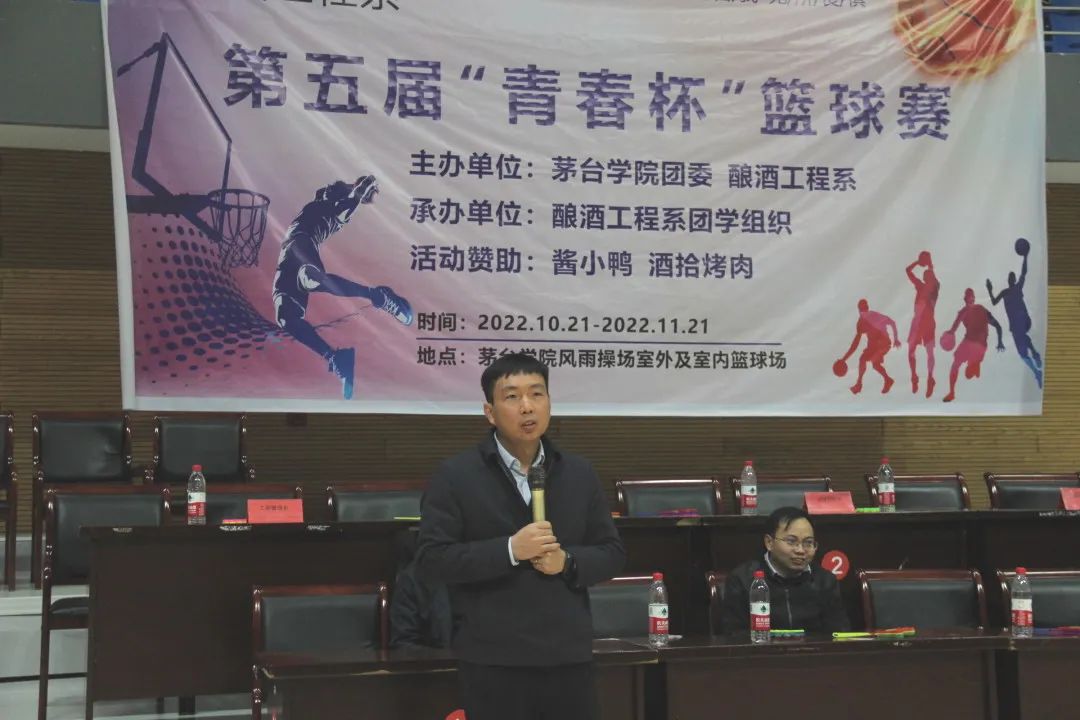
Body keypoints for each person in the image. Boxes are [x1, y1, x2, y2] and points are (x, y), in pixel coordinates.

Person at [416, 353, 625, 720]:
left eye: (536, 394)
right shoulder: (456, 476)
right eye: (512, 396)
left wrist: (567, 561)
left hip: (567, 656)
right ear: (490, 412)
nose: (527, 406)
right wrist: (511, 550)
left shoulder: (578, 473)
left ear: (549, 403)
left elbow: (612, 553)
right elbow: (433, 560)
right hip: (493, 659)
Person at [272, 175, 413, 400]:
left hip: (302, 244)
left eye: (332, 189)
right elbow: (330, 189)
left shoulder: (334, 212)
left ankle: (378, 296)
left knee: (310, 278)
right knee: (286, 318)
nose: (327, 188)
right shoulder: (319, 201)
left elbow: (354, 196)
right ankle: (335, 357)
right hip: (285, 258)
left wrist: (361, 189)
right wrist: (353, 188)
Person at [720, 507, 850, 634]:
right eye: (791, 541)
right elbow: (734, 635)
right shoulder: (743, 580)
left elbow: (839, 633)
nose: (800, 550)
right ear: (769, 542)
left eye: (808, 543)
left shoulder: (825, 581)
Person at [986, 240, 1042, 388]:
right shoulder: (1005, 292)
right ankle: (1035, 357)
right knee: (1023, 346)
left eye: (1012, 277)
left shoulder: (1017, 287)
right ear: (1008, 280)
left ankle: (1036, 367)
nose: (1011, 278)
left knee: (1022, 350)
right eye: (1010, 277)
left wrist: (1025, 257)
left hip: (1022, 320)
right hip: (1018, 324)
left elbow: (1024, 272)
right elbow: (994, 302)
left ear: (1014, 279)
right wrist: (990, 290)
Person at [942, 288, 1005, 403]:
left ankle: (952, 393)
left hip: (970, 343)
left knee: (955, 365)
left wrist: (946, 336)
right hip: (982, 347)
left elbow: (953, 330)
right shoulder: (982, 310)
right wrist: (1000, 342)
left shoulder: (964, 311)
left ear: (965, 299)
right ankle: (975, 363)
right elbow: (998, 326)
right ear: (974, 299)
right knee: (969, 364)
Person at [836, 299, 901, 395]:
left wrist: (896, 339)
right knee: (865, 360)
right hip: (873, 346)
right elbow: (855, 344)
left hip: (883, 343)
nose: (863, 312)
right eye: (862, 310)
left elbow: (892, 322)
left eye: (864, 309)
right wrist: (844, 359)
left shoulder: (874, 316)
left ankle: (885, 380)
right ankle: (862, 383)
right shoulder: (861, 323)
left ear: (866, 308)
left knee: (874, 362)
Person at [905, 251, 940, 398]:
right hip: (919, 322)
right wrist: (919, 262)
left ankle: (930, 379)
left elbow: (910, 271)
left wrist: (925, 263)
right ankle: (915, 377)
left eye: (928, 275)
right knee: (912, 350)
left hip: (926, 323)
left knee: (928, 352)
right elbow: (908, 271)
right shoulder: (921, 286)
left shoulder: (935, 287)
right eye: (925, 275)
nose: (925, 276)